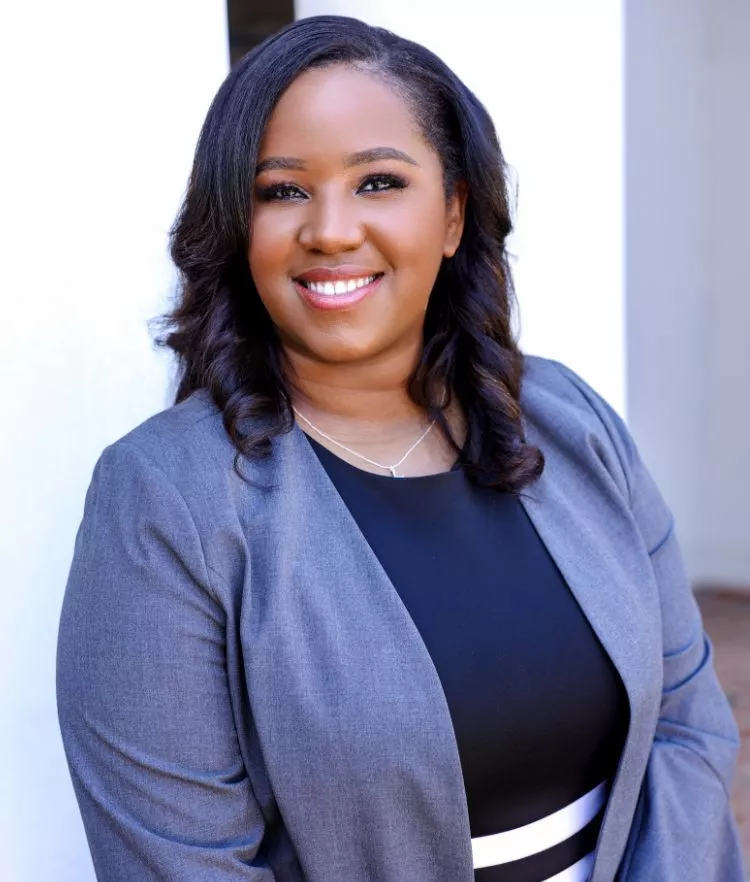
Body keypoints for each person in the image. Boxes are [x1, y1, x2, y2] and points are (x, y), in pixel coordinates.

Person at [56, 14, 745, 882]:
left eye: (378, 182)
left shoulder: (569, 420)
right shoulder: (164, 498)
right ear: (236, 226)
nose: (331, 230)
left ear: (453, 214)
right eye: (282, 191)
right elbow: (181, 862)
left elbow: (685, 721)